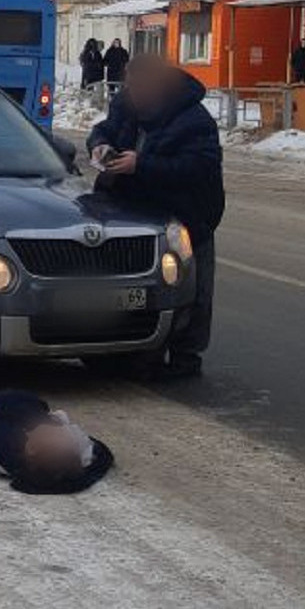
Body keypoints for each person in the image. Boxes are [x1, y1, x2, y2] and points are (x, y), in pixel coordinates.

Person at [87, 54, 225, 379]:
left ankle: (186, 358)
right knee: (142, 286)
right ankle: (138, 351)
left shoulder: (194, 119)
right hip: (134, 212)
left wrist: (142, 165)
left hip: (188, 214)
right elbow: (102, 130)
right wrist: (101, 145)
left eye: (141, 86)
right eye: (131, 84)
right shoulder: (127, 106)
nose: (135, 92)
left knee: (193, 288)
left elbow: (198, 168)